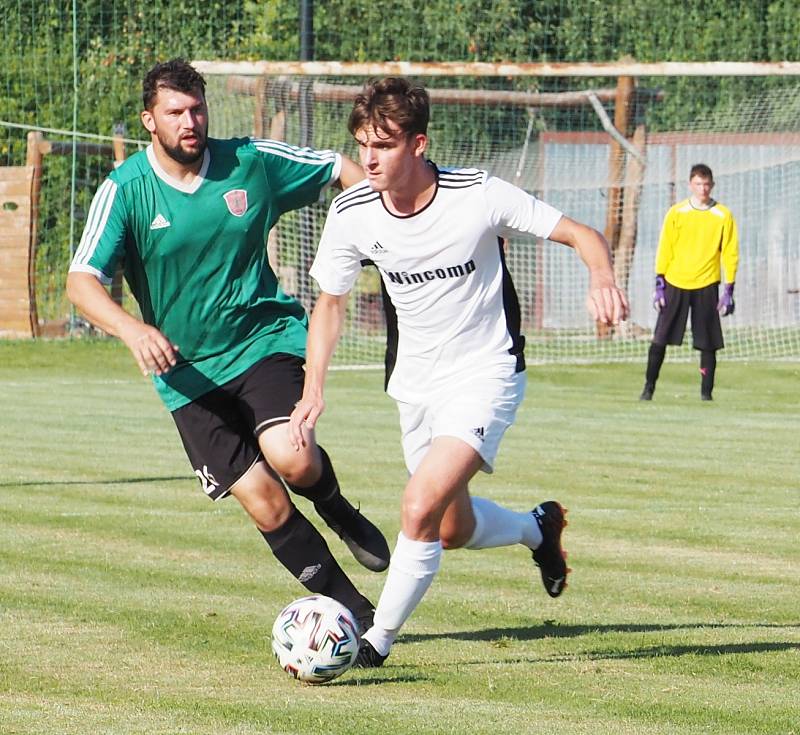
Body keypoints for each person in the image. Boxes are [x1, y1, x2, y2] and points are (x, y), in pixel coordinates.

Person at [288, 77, 629, 667]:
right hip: (415, 385)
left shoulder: (476, 195)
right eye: (363, 144)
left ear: (418, 145)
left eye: (384, 145)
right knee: (449, 528)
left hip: (486, 373)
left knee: (418, 507)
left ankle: (374, 642)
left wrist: (601, 277)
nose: (368, 158)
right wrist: (313, 386)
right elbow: (331, 303)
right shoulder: (351, 213)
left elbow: (581, 234)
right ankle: (537, 530)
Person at [66, 58, 390, 630]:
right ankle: (356, 616)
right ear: (150, 120)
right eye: (175, 112)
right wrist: (133, 328)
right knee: (264, 502)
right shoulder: (125, 191)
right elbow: (81, 281)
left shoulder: (250, 161)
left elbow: (342, 170)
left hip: (264, 340)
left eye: (197, 108)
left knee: (292, 456)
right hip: (186, 374)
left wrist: (385, 235)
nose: (190, 121)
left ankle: (337, 507)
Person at [640, 163, 739, 401]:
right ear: (690, 185)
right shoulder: (677, 212)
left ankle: (706, 394)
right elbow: (665, 246)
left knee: (708, 343)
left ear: (712, 185)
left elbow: (730, 251)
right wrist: (659, 282)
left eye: (706, 184)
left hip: (707, 284)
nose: (702, 189)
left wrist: (729, 288)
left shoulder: (723, 215)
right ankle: (648, 388)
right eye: (698, 184)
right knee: (660, 338)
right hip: (676, 282)